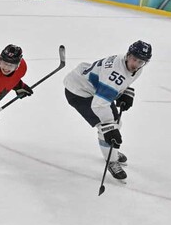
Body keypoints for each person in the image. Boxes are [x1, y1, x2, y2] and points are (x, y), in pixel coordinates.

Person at [63, 40, 151, 181]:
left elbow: (122, 81)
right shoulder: (115, 73)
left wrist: (125, 91)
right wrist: (109, 129)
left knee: (115, 123)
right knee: (107, 128)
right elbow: (99, 105)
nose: (137, 65)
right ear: (128, 55)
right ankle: (111, 160)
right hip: (79, 92)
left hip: (93, 87)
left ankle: (111, 151)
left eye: (141, 62)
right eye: (135, 59)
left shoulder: (132, 66)